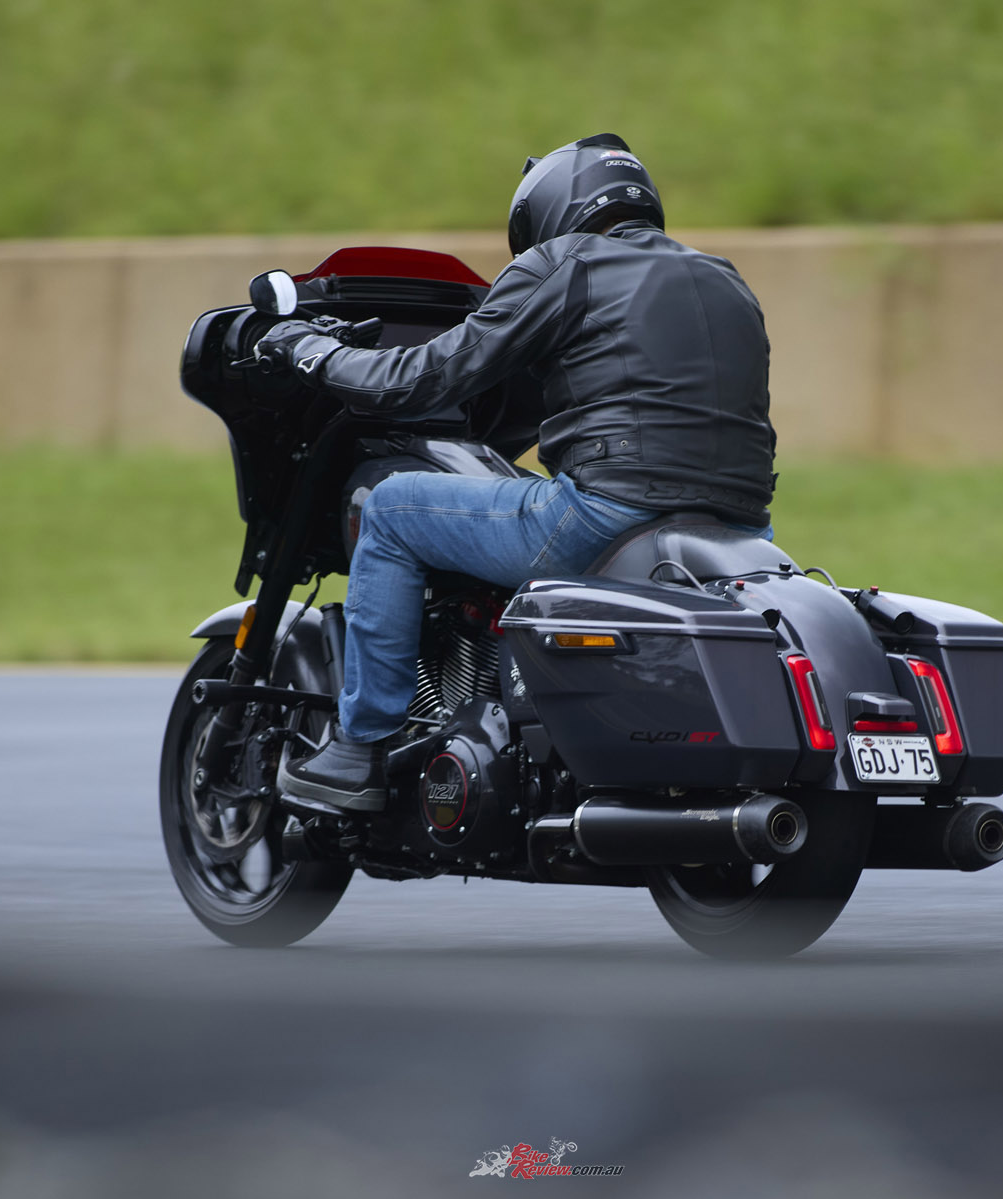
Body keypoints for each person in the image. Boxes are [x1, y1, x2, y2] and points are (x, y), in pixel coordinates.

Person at [259, 134, 778, 812]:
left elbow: (420, 378)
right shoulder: (724, 277)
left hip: (604, 516)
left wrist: (314, 352)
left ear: (551, 209)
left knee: (390, 509)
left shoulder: (565, 263)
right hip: (740, 528)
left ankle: (362, 748)